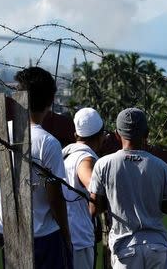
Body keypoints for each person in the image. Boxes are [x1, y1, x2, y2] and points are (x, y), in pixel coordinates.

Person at [0, 67, 72, 269]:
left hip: (9, 233)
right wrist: (67, 236)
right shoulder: (48, 143)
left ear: (18, 96)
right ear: (50, 101)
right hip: (44, 237)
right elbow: (54, 198)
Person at [88, 107, 167, 269]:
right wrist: (152, 201)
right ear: (146, 134)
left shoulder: (103, 165)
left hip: (125, 249)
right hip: (157, 247)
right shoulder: (161, 166)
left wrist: (115, 201)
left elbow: (93, 209)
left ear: (117, 135)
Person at [62, 107, 105, 269]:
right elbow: (92, 185)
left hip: (66, 234)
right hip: (79, 241)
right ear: (101, 137)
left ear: (76, 136)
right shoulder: (85, 159)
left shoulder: (67, 156)